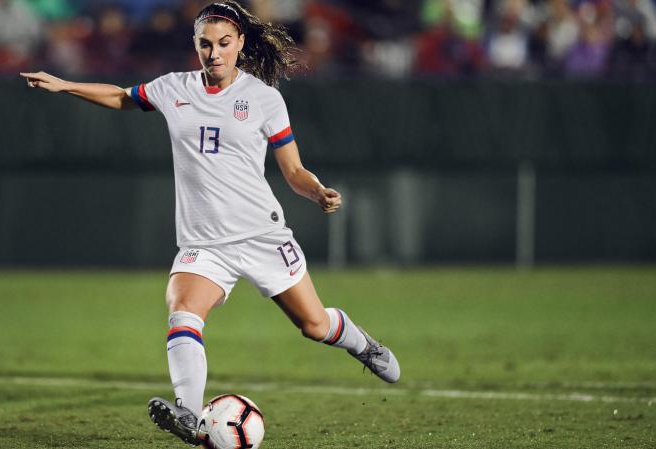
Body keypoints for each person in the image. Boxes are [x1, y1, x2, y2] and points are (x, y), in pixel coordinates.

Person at [20, 1, 400, 446]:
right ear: (195, 45)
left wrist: (316, 191)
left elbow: (293, 171)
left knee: (314, 326)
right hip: (205, 242)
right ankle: (187, 411)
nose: (214, 52)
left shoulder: (263, 98)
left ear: (240, 43)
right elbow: (123, 96)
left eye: (223, 43)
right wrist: (65, 85)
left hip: (261, 234)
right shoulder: (173, 88)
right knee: (182, 312)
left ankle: (362, 344)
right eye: (205, 44)